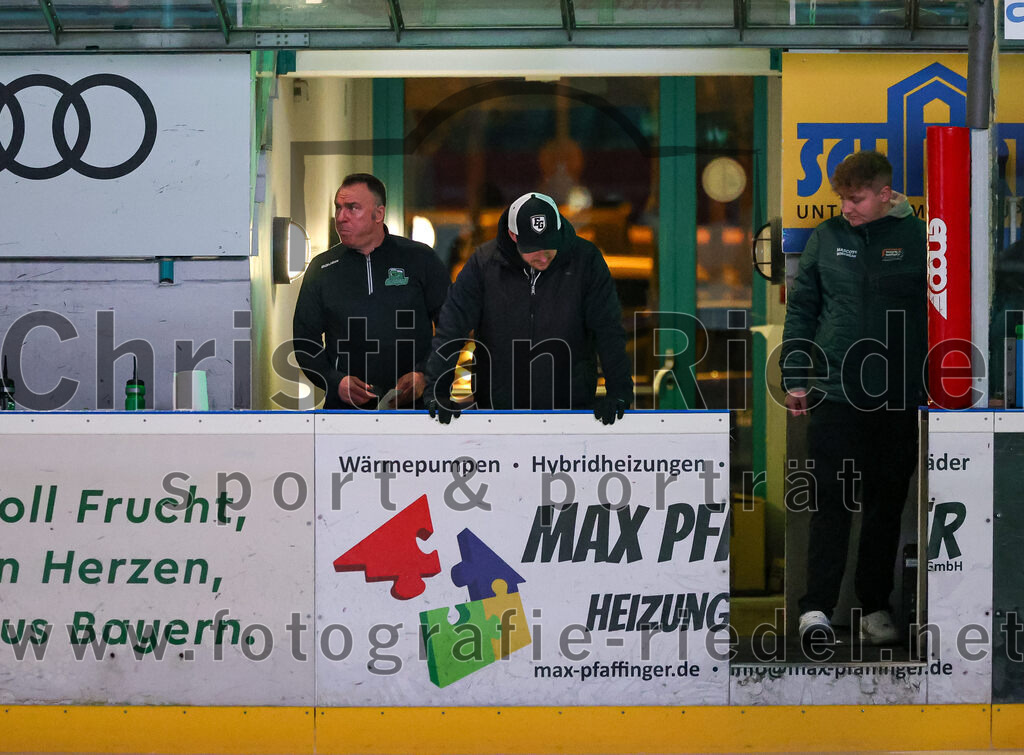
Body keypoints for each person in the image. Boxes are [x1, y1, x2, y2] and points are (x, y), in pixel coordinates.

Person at [779, 151, 927, 647]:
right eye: (842, 198)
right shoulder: (828, 237)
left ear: (886, 194)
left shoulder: (921, 238)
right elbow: (802, 308)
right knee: (831, 504)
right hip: (836, 393)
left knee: (886, 507)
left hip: (898, 395)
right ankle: (815, 608)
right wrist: (796, 377)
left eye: (856, 199)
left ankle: (874, 606)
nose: (847, 208)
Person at [424, 191, 633, 424]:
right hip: (498, 414)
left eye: (549, 247)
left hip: (571, 413)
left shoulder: (586, 260)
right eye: (534, 249)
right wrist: (437, 391)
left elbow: (608, 330)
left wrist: (619, 392)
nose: (543, 258)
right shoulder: (484, 264)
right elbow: (452, 327)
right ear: (513, 236)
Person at [292, 173, 450, 409]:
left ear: (379, 214)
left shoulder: (420, 259)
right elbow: (305, 342)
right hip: (345, 412)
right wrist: (335, 381)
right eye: (338, 208)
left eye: (352, 208)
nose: (341, 217)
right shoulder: (322, 269)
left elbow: (452, 326)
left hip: (416, 408)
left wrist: (425, 375)